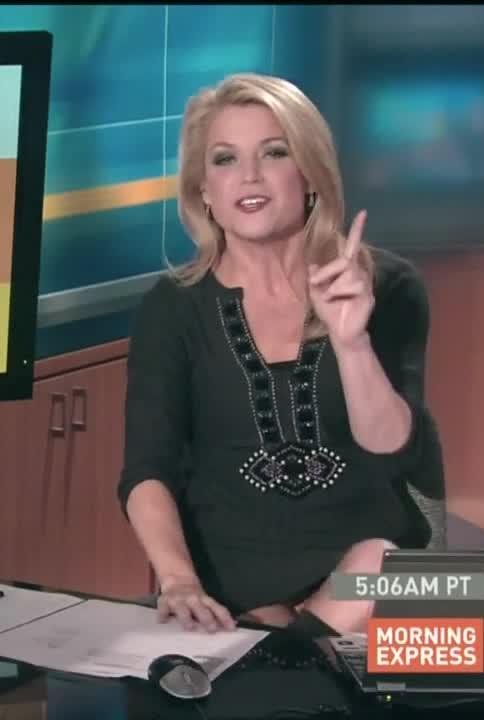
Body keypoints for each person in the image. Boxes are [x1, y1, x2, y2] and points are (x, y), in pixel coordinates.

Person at [117, 73, 444, 638]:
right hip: (236, 583)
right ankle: (288, 652)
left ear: (310, 174)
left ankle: (284, 656)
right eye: (225, 159)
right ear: (203, 191)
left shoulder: (388, 286)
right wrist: (179, 581)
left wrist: (351, 341)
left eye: (274, 152)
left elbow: (395, 447)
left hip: (372, 564)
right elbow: (147, 471)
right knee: (257, 631)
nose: (249, 175)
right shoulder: (171, 308)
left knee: (389, 571)